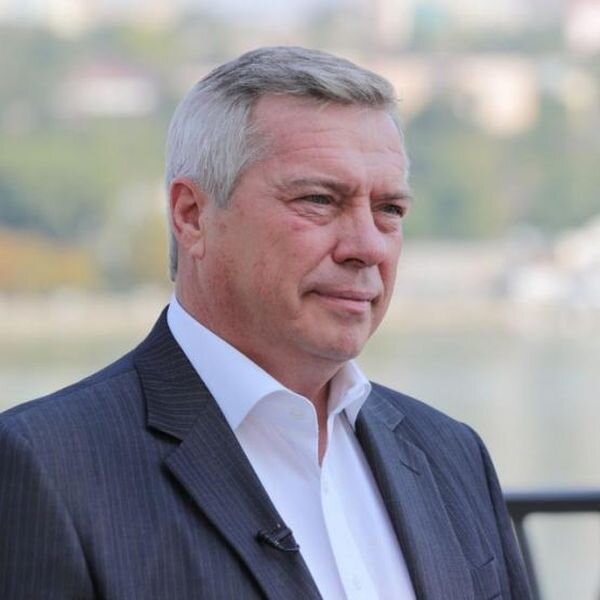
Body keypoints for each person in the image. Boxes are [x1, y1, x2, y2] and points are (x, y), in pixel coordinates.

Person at [0, 46, 530, 599]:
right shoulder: (47, 467)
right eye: (319, 200)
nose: (368, 246)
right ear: (191, 215)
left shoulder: (452, 455)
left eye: (389, 210)